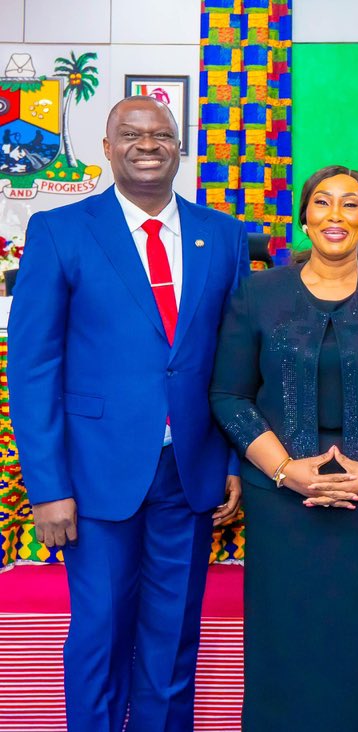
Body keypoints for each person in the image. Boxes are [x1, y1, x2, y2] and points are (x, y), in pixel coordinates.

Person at [7, 96, 248, 732]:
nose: (148, 144)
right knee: (99, 637)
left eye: (162, 134)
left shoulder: (222, 235)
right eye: (132, 134)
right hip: (93, 479)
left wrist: (229, 459)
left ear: (180, 146)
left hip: (189, 473)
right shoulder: (60, 232)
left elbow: (233, 361)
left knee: (173, 643)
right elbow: (32, 371)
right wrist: (49, 487)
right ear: (108, 148)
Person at [209, 165, 358, 731]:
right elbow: (230, 396)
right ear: (304, 217)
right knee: (284, 638)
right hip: (282, 502)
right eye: (322, 203)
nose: (335, 215)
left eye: (350, 205)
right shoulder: (257, 292)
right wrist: (286, 470)